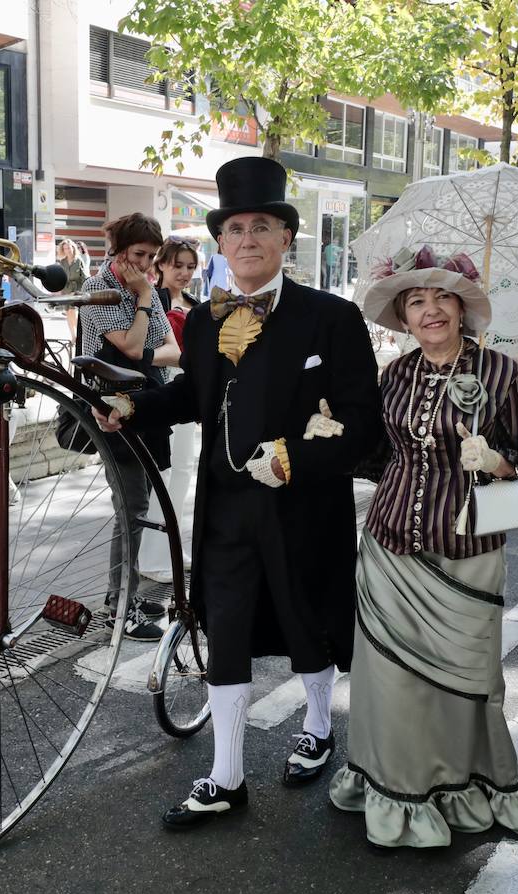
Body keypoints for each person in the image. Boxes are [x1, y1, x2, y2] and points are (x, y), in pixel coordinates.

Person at [97, 156, 383, 829]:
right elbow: (193, 397)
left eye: (262, 226)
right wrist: (134, 408)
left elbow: (362, 421)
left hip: (304, 506)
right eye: (234, 229)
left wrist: (296, 456)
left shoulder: (331, 318)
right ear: (220, 242)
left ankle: (317, 725)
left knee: (307, 620)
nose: (247, 239)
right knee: (224, 630)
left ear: (286, 237)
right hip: (225, 507)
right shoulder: (203, 322)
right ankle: (226, 776)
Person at [328, 246, 518, 848]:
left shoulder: (503, 373)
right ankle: (395, 789)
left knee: (467, 682)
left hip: (468, 549)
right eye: (416, 301)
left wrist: (496, 459)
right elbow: (381, 455)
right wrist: (330, 437)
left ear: (462, 307)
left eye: (442, 298)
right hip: (390, 544)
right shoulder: (394, 375)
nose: (430, 311)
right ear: (403, 314)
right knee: (391, 681)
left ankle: (462, 784)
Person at [79, 213, 181, 641]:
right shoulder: (96, 289)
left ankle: (125, 597)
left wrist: (136, 353)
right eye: (139, 255)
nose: (146, 264)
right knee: (131, 507)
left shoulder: (144, 287)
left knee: (136, 508)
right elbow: (139, 345)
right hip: (108, 408)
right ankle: (118, 605)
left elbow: (172, 350)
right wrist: (142, 299)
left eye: (152, 257)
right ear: (118, 251)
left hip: (143, 404)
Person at [138, 237, 203, 583]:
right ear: (161, 264)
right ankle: (151, 557)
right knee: (163, 475)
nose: (184, 272)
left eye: (190, 266)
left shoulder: (196, 303)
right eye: (178, 265)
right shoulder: (152, 299)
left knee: (182, 472)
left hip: (188, 390)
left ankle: (170, 547)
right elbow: (148, 348)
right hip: (163, 389)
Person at [58, 238, 90, 341]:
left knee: (74, 311)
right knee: (68, 312)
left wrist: (84, 291)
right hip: (66, 290)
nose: (67, 250)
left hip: (77, 290)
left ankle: (79, 334)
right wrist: (59, 289)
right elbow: (60, 277)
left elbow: (84, 276)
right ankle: (73, 336)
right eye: (65, 248)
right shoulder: (62, 262)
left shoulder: (79, 260)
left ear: (73, 248)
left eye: (69, 248)